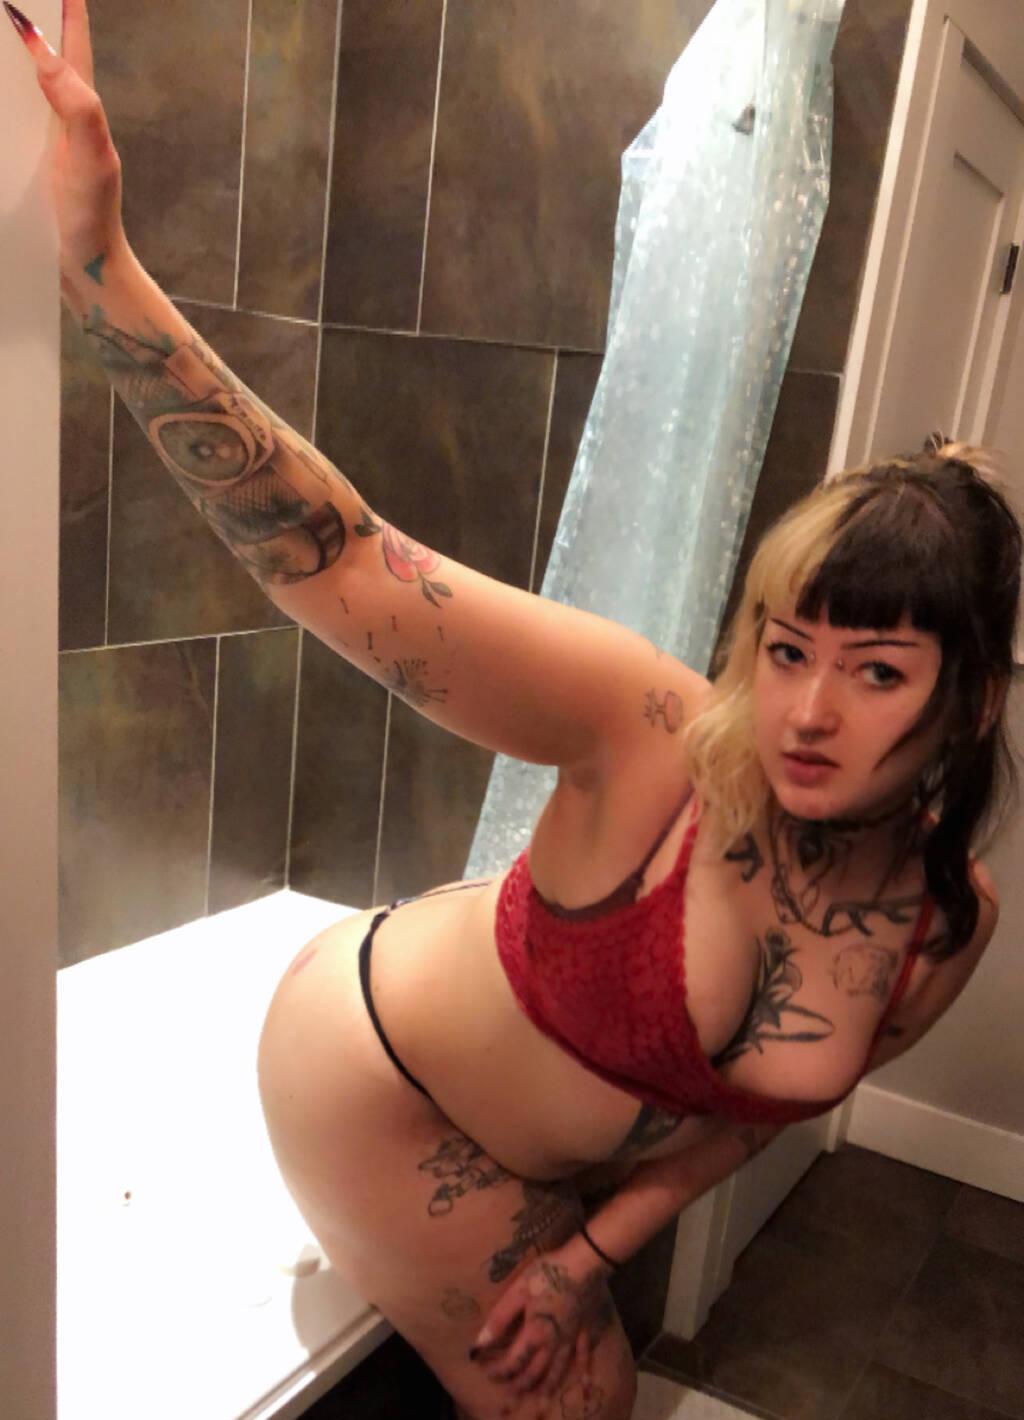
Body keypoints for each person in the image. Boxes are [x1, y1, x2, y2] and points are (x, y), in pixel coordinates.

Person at [13, 3, 1021, 1417]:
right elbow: (344, 559)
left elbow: (752, 1121)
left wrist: (590, 1255)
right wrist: (98, 264)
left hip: (536, 1150)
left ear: (967, 703)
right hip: (377, 1074)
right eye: (787, 647)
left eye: (876, 672)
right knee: (583, 1403)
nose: (803, 711)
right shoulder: (656, 730)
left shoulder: (945, 921)